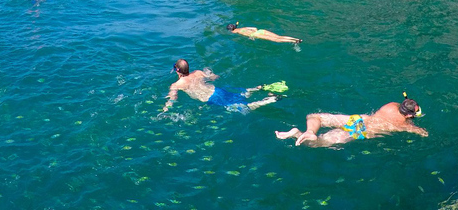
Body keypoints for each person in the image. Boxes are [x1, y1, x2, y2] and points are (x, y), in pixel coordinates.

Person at [275, 94, 427, 147]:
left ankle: (309, 130)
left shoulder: (392, 105)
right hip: (362, 131)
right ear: (408, 115)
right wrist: (422, 132)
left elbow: (405, 106)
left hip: (359, 119)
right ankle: (300, 134)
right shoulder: (404, 125)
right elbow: (421, 133)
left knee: (316, 116)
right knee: (319, 143)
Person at [162, 59, 279, 113]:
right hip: (217, 90)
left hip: (210, 98)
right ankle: (255, 89)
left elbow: (173, 98)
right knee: (238, 95)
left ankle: (269, 100)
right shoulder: (197, 72)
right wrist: (208, 72)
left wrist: (166, 108)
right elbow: (215, 77)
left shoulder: (176, 85)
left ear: (177, 70)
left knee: (244, 107)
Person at [226, 23, 302, 44]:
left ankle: (294, 41)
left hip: (256, 35)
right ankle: (296, 39)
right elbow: (255, 28)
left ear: (231, 30)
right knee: (279, 36)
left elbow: (234, 31)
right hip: (260, 31)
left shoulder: (234, 31)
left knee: (276, 40)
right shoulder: (242, 28)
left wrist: (251, 36)